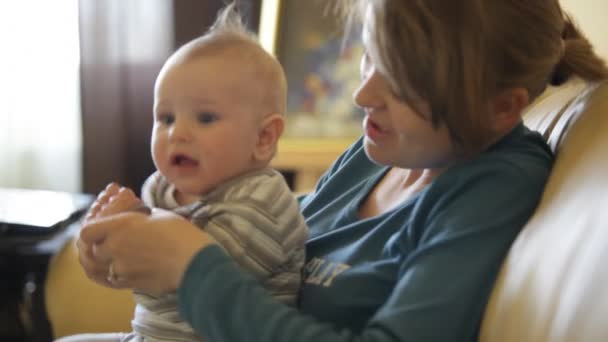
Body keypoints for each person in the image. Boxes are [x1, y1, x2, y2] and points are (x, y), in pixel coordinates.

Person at [75, 1, 608, 341]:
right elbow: (265, 234)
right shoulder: (384, 150)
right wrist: (133, 244)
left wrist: (191, 269)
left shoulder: (492, 191)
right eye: (370, 58)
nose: (361, 95)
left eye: (400, 82)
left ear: (502, 107)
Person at [59, 3, 308, 342]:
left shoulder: (263, 199)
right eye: (166, 118)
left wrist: (133, 240)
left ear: (263, 138)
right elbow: (138, 275)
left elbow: (199, 272)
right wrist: (101, 251)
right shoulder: (160, 187)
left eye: (205, 118)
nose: (177, 133)